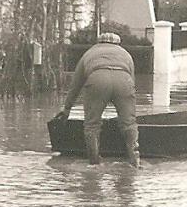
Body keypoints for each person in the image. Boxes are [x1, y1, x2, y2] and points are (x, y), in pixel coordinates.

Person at [54, 31, 140, 167]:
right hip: (124, 81)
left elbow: (75, 85)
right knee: (129, 124)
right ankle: (134, 160)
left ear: (99, 42)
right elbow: (132, 83)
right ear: (118, 43)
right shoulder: (126, 54)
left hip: (97, 79)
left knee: (92, 125)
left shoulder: (89, 53)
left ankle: (94, 163)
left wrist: (67, 108)